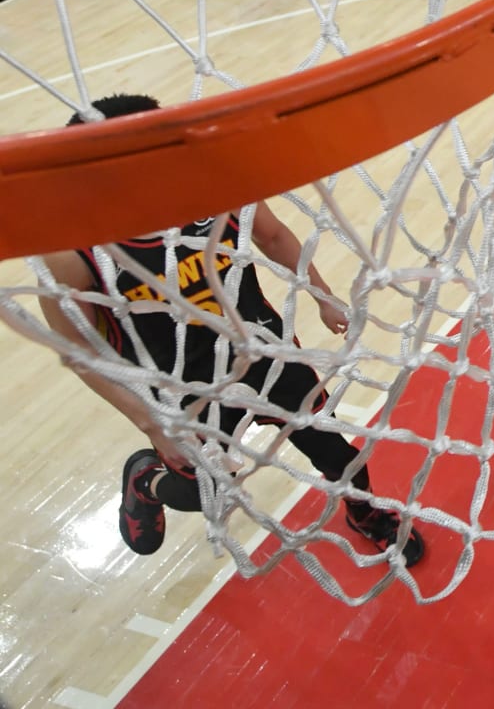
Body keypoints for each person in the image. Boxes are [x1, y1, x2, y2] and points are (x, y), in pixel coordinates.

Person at [32, 94, 425, 564]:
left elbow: (274, 235)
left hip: (262, 350)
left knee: (340, 456)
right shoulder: (71, 252)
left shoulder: (214, 188)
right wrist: (151, 424)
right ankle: (145, 478)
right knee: (203, 493)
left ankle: (364, 513)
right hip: (180, 385)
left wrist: (322, 296)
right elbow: (76, 349)